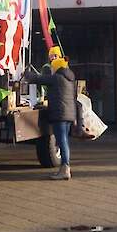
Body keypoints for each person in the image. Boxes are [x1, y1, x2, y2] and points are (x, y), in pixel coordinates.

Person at [24, 46, 76, 180]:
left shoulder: (57, 78)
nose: (51, 68)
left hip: (60, 114)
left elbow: (38, 79)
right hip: (68, 114)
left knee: (61, 140)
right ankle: (66, 167)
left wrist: (27, 74)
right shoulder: (69, 78)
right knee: (64, 140)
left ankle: (65, 168)